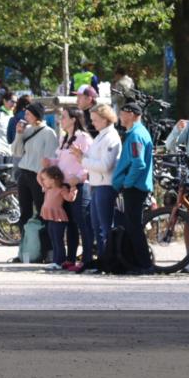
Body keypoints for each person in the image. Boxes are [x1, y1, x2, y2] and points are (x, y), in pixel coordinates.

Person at [43, 108, 92, 270]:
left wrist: (78, 177)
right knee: (70, 223)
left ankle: (87, 260)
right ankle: (69, 259)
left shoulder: (83, 138)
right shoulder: (64, 138)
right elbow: (61, 161)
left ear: (73, 119)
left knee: (82, 223)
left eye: (63, 117)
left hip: (79, 185)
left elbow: (88, 162)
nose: (60, 120)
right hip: (64, 185)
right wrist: (50, 162)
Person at [74, 104, 121, 272]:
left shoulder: (111, 137)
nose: (92, 123)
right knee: (96, 226)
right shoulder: (101, 136)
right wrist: (83, 156)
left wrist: (83, 161)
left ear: (105, 119)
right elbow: (95, 160)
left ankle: (108, 261)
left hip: (105, 185)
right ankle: (102, 259)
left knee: (104, 226)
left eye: (95, 120)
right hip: (96, 184)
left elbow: (105, 165)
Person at [111, 101, 154, 274]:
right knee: (132, 225)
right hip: (135, 186)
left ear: (131, 114)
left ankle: (144, 264)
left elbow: (139, 163)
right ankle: (136, 262)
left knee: (134, 226)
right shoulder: (135, 133)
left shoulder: (136, 135)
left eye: (122, 113)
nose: (120, 116)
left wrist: (127, 183)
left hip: (134, 187)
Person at [11, 102, 59, 234]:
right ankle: (25, 249)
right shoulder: (27, 130)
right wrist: (19, 134)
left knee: (41, 211)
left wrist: (45, 179)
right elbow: (16, 151)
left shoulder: (49, 133)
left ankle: (45, 248)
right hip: (24, 174)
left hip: (39, 176)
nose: (25, 116)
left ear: (36, 115)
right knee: (24, 212)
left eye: (28, 114)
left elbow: (50, 157)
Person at [38, 165, 78, 270]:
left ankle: (60, 261)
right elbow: (39, 179)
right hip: (51, 218)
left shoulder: (61, 189)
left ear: (53, 180)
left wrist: (73, 187)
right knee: (53, 240)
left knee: (58, 240)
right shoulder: (47, 188)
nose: (43, 181)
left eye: (45, 179)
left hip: (58, 218)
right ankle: (56, 261)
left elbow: (70, 198)